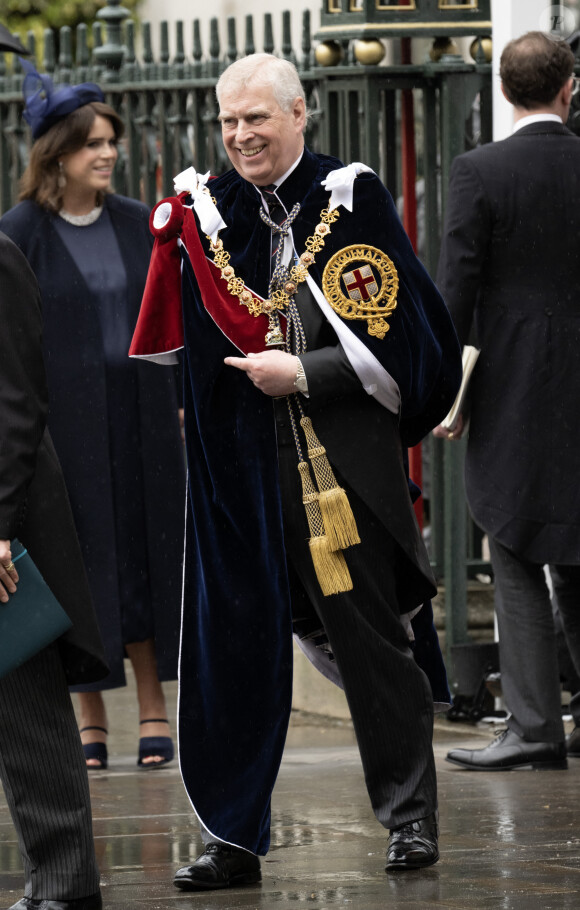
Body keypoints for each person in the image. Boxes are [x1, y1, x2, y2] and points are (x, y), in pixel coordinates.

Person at [130, 53, 461, 889]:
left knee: (374, 651)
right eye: (230, 121)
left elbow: (408, 347)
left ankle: (409, 821)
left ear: (299, 114)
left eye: (258, 119)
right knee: (234, 653)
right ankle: (233, 837)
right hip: (235, 476)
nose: (241, 136)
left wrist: (305, 373)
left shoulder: (350, 201)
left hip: (334, 474)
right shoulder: (204, 213)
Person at [0, 64, 185, 770]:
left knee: (143, 553)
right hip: (62, 431)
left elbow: (171, 321)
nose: (106, 154)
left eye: (110, 141)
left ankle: (152, 708)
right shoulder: (19, 234)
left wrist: (174, 398)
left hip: (141, 422)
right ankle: (91, 717)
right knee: (83, 562)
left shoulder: (144, 223)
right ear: (56, 154)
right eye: (90, 144)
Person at [435, 31, 580, 771]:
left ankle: (532, 725)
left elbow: (455, 288)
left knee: (514, 540)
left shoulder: (479, 170)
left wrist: (444, 390)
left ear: (502, 90)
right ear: (569, 88)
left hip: (514, 380)